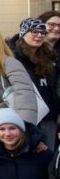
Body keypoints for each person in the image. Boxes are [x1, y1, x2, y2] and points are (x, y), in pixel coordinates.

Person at [9, 18, 60, 149]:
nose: (39, 36)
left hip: (48, 117)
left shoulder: (49, 57)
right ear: (23, 33)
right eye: (34, 32)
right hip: (24, 116)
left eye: (42, 33)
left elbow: (53, 88)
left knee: (47, 156)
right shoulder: (13, 57)